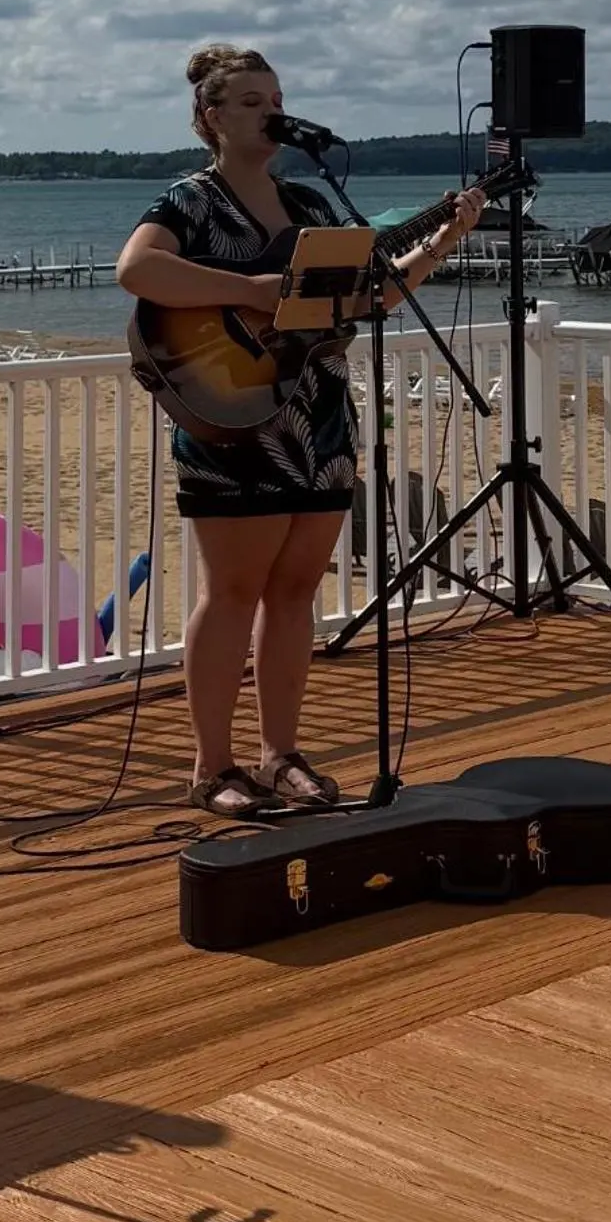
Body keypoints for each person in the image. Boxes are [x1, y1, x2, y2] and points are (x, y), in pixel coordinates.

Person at [116, 44, 485, 818]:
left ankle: (280, 754)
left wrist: (442, 240)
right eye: (251, 101)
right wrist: (249, 286)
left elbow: (367, 301)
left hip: (316, 418)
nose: (270, 111)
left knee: (294, 591)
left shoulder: (315, 207)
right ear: (212, 117)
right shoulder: (190, 201)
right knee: (234, 591)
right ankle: (212, 766)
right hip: (232, 416)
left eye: (275, 97)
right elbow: (139, 271)